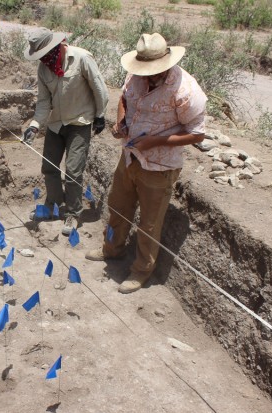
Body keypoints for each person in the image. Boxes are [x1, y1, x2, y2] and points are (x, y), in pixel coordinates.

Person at [86, 33, 207, 294]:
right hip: (129, 156)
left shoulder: (186, 91)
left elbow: (197, 134)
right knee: (117, 207)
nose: (146, 76)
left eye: (152, 72)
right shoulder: (136, 75)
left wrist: (155, 142)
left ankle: (141, 271)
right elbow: (124, 99)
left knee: (149, 223)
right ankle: (112, 249)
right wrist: (122, 122)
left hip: (159, 167)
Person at [23, 28, 109, 236]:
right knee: (49, 167)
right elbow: (44, 102)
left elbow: (100, 89)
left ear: (58, 46)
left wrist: (100, 115)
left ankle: (73, 212)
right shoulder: (44, 69)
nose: (45, 60)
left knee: (73, 171)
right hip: (56, 124)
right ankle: (53, 203)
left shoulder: (82, 58)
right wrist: (34, 125)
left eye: (47, 55)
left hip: (79, 122)